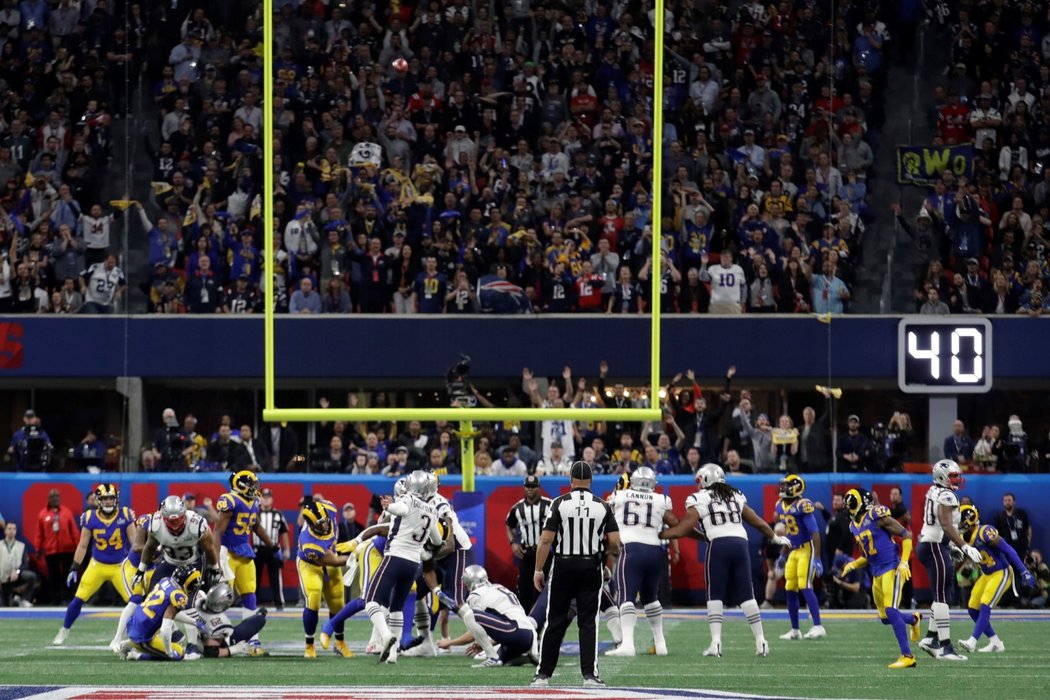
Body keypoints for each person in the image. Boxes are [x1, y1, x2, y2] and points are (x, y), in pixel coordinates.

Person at [659, 464, 790, 657]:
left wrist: (660, 534)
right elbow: (758, 522)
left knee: (715, 594)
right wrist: (776, 538)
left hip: (718, 545)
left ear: (704, 480)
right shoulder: (735, 495)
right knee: (747, 594)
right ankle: (761, 641)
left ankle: (716, 642)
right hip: (740, 543)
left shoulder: (699, 498)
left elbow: (683, 528)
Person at [531, 461, 620, 688]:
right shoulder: (603, 506)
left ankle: (543, 675)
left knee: (555, 621)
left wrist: (538, 569)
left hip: (563, 565)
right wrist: (604, 558)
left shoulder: (558, 503)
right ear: (591, 481)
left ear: (570, 480)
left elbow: (546, 539)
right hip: (591, 566)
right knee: (588, 622)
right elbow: (615, 544)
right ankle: (589, 676)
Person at [364, 471, 443, 664]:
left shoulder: (407, 499)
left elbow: (401, 509)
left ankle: (385, 636)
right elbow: (437, 540)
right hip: (413, 563)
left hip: (395, 557)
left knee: (371, 601)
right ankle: (393, 654)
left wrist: (388, 506)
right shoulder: (432, 509)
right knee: (397, 606)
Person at [841, 489, 923, 668]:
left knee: (891, 611)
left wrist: (904, 562)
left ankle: (907, 656)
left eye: (852, 504)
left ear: (862, 502)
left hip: (892, 567)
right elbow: (868, 555)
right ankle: (913, 619)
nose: (849, 508)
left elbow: (906, 534)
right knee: (886, 617)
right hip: (876, 570)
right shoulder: (853, 526)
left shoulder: (876, 515)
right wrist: (854, 564)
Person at [606, 467, 678, 657]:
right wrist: (661, 534)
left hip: (631, 550)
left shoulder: (619, 496)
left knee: (625, 596)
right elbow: (676, 523)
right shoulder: (660, 499)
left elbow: (607, 515)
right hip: (654, 550)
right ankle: (661, 644)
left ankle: (628, 644)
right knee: (651, 597)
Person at [52, 485, 136, 646]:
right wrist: (75, 567)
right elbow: (83, 545)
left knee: (135, 602)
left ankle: (135, 636)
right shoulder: (90, 517)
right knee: (78, 598)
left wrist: (139, 565)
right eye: (105, 498)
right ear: (98, 500)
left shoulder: (125, 515)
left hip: (120, 566)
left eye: (111, 498)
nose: (109, 501)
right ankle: (64, 629)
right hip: (97, 565)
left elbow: (135, 543)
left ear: (116, 499)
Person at [916, 459, 982, 661]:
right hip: (934, 546)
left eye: (957, 475)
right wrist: (964, 546)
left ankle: (930, 639)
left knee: (943, 594)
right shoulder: (946, 494)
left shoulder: (934, 490)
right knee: (942, 596)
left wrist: (951, 546)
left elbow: (937, 524)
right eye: (953, 476)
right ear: (942, 476)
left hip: (933, 544)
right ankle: (945, 647)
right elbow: (946, 524)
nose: (957, 479)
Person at [956, 504, 1036, 654]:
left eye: (960, 520)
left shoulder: (985, 532)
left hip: (1001, 572)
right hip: (986, 574)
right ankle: (996, 642)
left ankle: (972, 641)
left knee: (985, 603)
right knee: (973, 608)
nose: (958, 523)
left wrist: (1023, 571)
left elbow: (1008, 549)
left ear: (969, 520)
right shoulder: (962, 537)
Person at [213, 471, 275, 656]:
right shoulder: (229, 500)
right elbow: (217, 532)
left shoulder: (253, 501)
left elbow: (255, 526)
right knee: (222, 599)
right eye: (251, 484)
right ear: (240, 485)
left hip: (243, 551)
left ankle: (253, 640)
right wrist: (215, 561)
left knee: (250, 596)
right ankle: (219, 639)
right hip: (226, 552)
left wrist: (272, 546)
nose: (255, 488)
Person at [436, 565, 540, 668]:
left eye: (466, 583)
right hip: (528, 636)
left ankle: (492, 658)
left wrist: (450, 642)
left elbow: (472, 631)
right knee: (503, 659)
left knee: (470, 615)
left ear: (470, 582)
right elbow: (504, 627)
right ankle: (523, 656)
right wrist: (487, 643)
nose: (465, 585)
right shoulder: (498, 587)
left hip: (513, 630)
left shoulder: (476, 595)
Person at [296, 498, 355, 659]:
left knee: (337, 601)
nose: (324, 526)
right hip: (311, 564)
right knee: (314, 597)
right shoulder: (309, 543)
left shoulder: (330, 508)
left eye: (324, 521)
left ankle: (340, 642)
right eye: (319, 524)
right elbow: (335, 562)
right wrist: (354, 557)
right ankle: (309, 645)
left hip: (330, 554)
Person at [773, 475, 826, 640]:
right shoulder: (781, 506)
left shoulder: (803, 505)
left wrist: (816, 557)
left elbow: (815, 534)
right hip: (793, 550)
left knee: (805, 584)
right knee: (790, 586)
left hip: (806, 549)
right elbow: (790, 533)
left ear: (796, 488)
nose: (782, 488)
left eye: (787, 486)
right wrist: (782, 555)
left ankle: (818, 626)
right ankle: (795, 629)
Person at [133, 496, 222, 591]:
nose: (175, 525)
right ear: (163, 517)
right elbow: (150, 547)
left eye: (178, 519)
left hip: (194, 562)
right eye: (171, 521)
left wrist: (214, 568)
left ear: (184, 514)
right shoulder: (156, 524)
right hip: (169, 562)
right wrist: (140, 570)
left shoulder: (196, 524)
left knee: (195, 598)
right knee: (153, 593)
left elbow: (209, 548)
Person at [119, 565, 201, 661]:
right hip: (144, 635)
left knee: (176, 640)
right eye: (193, 585)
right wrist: (169, 652)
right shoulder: (178, 595)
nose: (193, 588)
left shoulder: (166, 580)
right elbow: (165, 628)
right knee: (179, 653)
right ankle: (135, 653)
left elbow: (170, 612)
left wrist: (193, 622)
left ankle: (132, 643)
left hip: (137, 621)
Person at [505, 475, 552, 614]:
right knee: (524, 591)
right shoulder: (518, 508)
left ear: (539, 488)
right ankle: (525, 623)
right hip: (527, 553)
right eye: (528, 487)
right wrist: (513, 542)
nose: (530, 490)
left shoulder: (549, 505)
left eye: (533, 487)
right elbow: (508, 524)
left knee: (544, 591)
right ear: (524, 488)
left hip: (544, 553)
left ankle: (542, 622)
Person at [36, 488, 79, 604]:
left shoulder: (66, 512)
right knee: (53, 576)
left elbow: (74, 531)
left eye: (57, 496)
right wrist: (38, 548)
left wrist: (77, 547)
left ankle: (68, 597)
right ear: (48, 499)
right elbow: (39, 533)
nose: (55, 498)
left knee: (68, 575)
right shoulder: (42, 514)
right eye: (52, 497)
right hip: (51, 551)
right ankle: (55, 598)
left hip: (67, 550)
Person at [254, 488, 290, 610]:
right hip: (257, 549)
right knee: (254, 577)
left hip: (273, 549)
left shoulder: (278, 514)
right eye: (263, 497)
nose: (266, 499)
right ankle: (252, 603)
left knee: (275, 578)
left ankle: (279, 603)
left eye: (268, 497)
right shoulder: (255, 513)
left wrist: (287, 549)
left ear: (272, 499)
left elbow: (284, 532)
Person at [1, 522, 38, 606]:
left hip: (16, 576)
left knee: (31, 576)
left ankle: (24, 599)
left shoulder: (21, 546)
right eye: (9, 529)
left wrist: (17, 572)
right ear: (5, 531)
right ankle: (13, 599)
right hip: (3, 577)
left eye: (14, 529)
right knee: (6, 605)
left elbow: (25, 563)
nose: (11, 531)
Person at [993, 493, 1031, 558]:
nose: (1007, 502)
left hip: (1022, 547)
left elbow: (1028, 528)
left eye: (1009, 500)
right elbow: (997, 534)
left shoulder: (1021, 513)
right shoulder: (999, 516)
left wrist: (1028, 541)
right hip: (1007, 548)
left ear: (1014, 502)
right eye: (1005, 500)